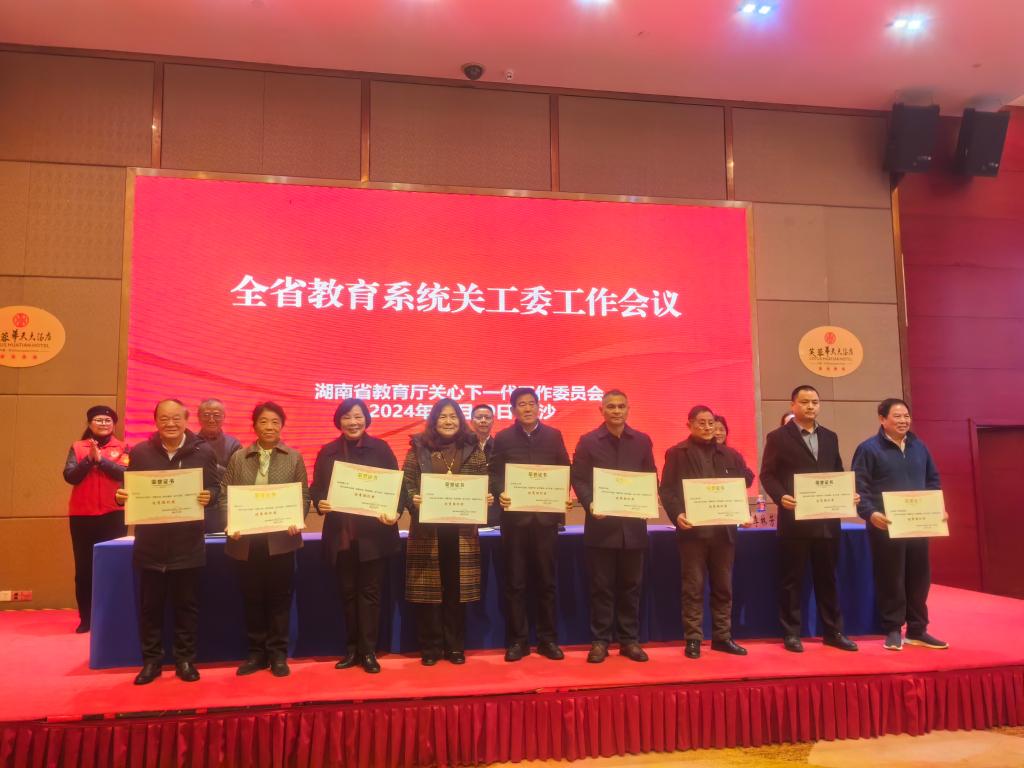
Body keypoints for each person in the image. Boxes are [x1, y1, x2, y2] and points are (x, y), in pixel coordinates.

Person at [115, 399, 219, 685]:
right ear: (156, 421)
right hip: (150, 545)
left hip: (188, 544)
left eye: (176, 418)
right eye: (164, 418)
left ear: (186, 420)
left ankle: (185, 660)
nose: (170, 423)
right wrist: (121, 496)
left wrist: (209, 495)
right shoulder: (141, 452)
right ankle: (152, 662)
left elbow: (215, 487)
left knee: (187, 607)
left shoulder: (203, 452)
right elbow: (130, 488)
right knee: (151, 609)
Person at [759, 385, 859, 653]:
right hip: (795, 521)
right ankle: (791, 633)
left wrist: (848, 494)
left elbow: (837, 472)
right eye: (804, 402)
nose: (810, 406)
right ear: (793, 405)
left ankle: (833, 632)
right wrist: (781, 496)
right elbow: (767, 474)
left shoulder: (830, 436)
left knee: (828, 580)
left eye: (815, 402)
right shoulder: (778, 437)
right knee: (791, 581)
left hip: (827, 521)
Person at [311, 398, 403, 674]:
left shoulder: (381, 448)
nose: (353, 422)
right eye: (347, 417)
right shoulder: (327, 452)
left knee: (370, 595)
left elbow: (396, 487)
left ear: (366, 419)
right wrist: (320, 502)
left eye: (358, 416)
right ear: (339, 421)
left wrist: (395, 511)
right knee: (348, 594)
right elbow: (317, 488)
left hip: (374, 538)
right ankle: (351, 650)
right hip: (342, 536)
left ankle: (369, 651)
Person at [221, 402, 310, 678]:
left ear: (281, 426)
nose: (269, 427)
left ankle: (278, 655)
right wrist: (231, 523)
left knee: (279, 600)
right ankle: (256, 654)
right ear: (254, 425)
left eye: (275, 422)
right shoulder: (239, 458)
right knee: (252, 599)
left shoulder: (293, 457)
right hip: (246, 542)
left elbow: (303, 496)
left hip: (281, 541)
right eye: (263, 421)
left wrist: (297, 518)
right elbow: (225, 495)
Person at [852, 398, 947, 651]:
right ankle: (893, 629)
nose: (904, 421)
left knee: (919, 578)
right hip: (886, 525)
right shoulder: (868, 449)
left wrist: (937, 508)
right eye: (897, 416)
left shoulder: (919, 446)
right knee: (891, 578)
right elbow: (859, 488)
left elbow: (933, 480)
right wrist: (870, 513)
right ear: (882, 419)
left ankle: (917, 629)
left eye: (906, 416)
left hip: (918, 524)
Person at [660, 405, 754, 659]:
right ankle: (693, 638)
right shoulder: (677, 453)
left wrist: (742, 513)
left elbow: (741, 484)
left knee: (723, 587)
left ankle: (723, 637)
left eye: (711, 422)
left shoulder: (730, 454)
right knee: (693, 587)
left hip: (724, 534)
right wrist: (677, 514)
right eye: (701, 422)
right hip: (693, 533)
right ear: (689, 424)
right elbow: (666, 490)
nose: (707, 427)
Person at [403, 398, 492, 666]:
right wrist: (413, 500)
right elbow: (407, 482)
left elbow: (482, 481)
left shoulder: (472, 447)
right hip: (427, 529)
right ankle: (430, 647)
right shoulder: (418, 447)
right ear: (434, 420)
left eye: (453, 416)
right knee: (428, 591)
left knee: (456, 590)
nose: (448, 421)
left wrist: (484, 498)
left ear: (460, 420)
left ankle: (455, 646)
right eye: (443, 416)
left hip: (461, 531)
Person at [571, 389, 656, 663]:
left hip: (633, 529)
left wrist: (648, 498)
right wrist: (590, 503)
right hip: (601, 528)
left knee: (631, 587)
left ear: (628, 409)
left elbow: (650, 476)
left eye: (621, 406)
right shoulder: (588, 441)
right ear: (601, 410)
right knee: (601, 587)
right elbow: (579, 478)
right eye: (611, 406)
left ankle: (629, 641)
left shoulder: (642, 441)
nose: (616, 411)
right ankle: (600, 641)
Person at [489, 387, 572, 662]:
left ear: (539, 407)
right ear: (513, 410)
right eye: (522, 404)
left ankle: (548, 640)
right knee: (515, 583)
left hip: (545, 521)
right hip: (515, 522)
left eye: (532, 403)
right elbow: (494, 473)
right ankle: (518, 641)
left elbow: (564, 468)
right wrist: (501, 491)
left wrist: (562, 494)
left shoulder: (554, 435)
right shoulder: (503, 438)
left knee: (546, 582)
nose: (527, 408)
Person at [62, 405, 129, 633]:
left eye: (107, 420)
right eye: (98, 420)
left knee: (115, 567)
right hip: (82, 516)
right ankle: (86, 619)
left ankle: (113, 616)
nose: (103, 423)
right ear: (90, 423)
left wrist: (101, 461)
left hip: (115, 514)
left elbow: (126, 474)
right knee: (84, 569)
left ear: (114, 424)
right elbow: (70, 476)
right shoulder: (77, 447)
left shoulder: (123, 447)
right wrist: (89, 460)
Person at [471, 403, 501, 527]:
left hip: (494, 507)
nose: (483, 420)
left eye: (487, 418)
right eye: (479, 417)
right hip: (468, 504)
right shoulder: (462, 447)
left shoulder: (500, 447)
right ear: (471, 421)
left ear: (493, 421)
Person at [197, 399, 242, 480]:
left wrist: (212, 467)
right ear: (199, 417)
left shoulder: (234, 445)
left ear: (223, 417)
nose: (211, 420)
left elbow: (238, 476)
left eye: (216, 415)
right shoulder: (190, 442)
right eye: (206, 415)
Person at [712, 414, 755, 485]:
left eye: (721, 430)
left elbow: (747, 480)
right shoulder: (702, 454)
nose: (718, 433)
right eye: (714, 430)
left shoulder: (734, 454)